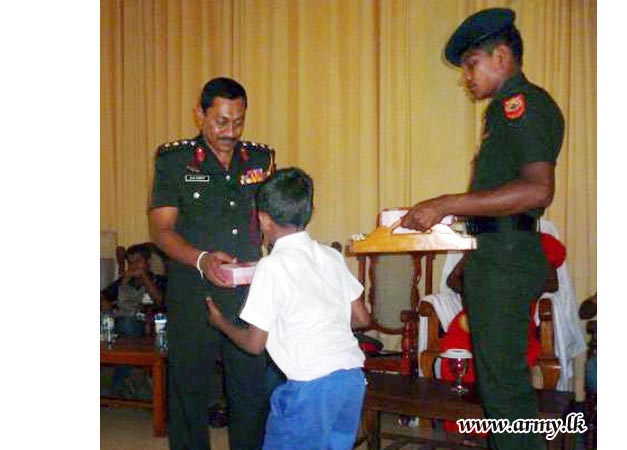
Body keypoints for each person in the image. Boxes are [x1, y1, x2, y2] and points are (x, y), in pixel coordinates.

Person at [400, 8, 565, 450]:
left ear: (501, 56)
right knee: (498, 388)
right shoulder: (501, 113)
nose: (466, 77)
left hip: (506, 260)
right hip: (497, 256)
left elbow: (537, 190)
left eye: (471, 64)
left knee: (505, 392)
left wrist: (446, 203)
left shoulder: (523, 105)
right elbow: (502, 195)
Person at [149, 77, 280, 450]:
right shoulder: (175, 160)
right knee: (188, 393)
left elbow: (275, 220)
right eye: (221, 121)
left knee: (251, 393)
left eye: (238, 121)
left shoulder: (260, 159)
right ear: (200, 115)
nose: (230, 132)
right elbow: (161, 230)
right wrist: (203, 260)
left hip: (247, 296)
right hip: (193, 292)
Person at [205, 167, 371, 450]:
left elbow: (255, 344)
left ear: (263, 220)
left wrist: (220, 322)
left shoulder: (270, 267)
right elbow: (361, 317)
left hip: (310, 386)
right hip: (352, 379)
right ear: (310, 212)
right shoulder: (330, 256)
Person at [100, 243, 166, 336]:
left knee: (128, 324)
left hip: (149, 324)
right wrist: (105, 305)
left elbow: (161, 302)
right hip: (121, 320)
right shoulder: (125, 280)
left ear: (148, 262)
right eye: (130, 263)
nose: (134, 266)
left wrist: (144, 276)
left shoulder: (158, 280)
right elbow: (103, 295)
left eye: (138, 261)